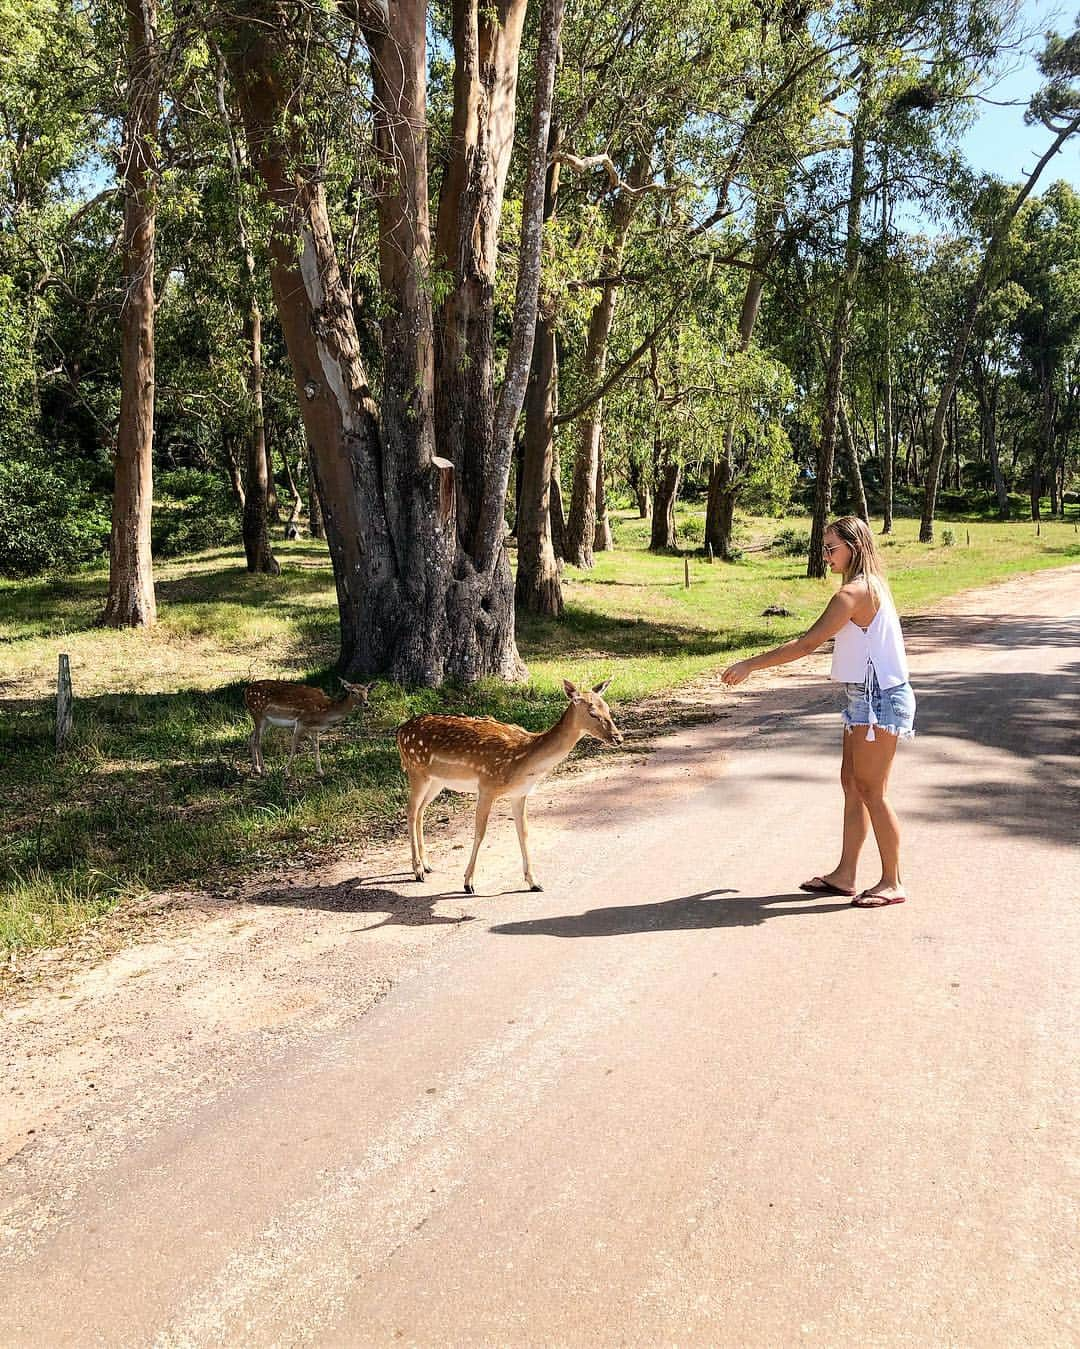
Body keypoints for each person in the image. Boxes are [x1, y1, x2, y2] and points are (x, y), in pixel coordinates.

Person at [721, 516, 915, 908]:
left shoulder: (854, 594)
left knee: (872, 791)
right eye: (824, 548)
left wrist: (750, 665)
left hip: (878, 700)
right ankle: (845, 875)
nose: (825, 556)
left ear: (854, 548)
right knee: (852, 785)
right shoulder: (866, 586)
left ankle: (893, 881)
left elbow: (807, 644)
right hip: (863, 697)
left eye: (831, 548)